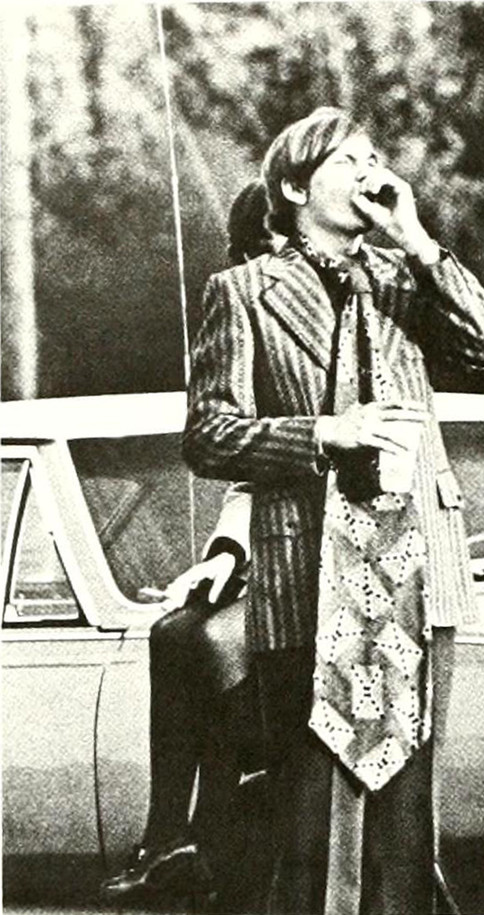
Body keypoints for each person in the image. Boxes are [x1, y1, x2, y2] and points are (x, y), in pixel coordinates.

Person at [183, 107, 484, 914]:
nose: (373, 172)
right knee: (313, 823)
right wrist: (322, 433)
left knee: (406, 823)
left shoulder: (407, 279)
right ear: (297, 187)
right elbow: (208, 434)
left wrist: (418, 239)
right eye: (350, 160)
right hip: (308, 579)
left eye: (377, 157)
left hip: (418, 578)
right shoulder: (244, 292)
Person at [100, 182, 270, 904]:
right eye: (253, 250)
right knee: (176, 631)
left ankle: (206, 834)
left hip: (351, 559)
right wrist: (225, 556)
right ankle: (170, 835)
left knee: (208, 646)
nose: (264, 263)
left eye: (273, 244)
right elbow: (248, 480)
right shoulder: (250, 319)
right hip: (275, 550)